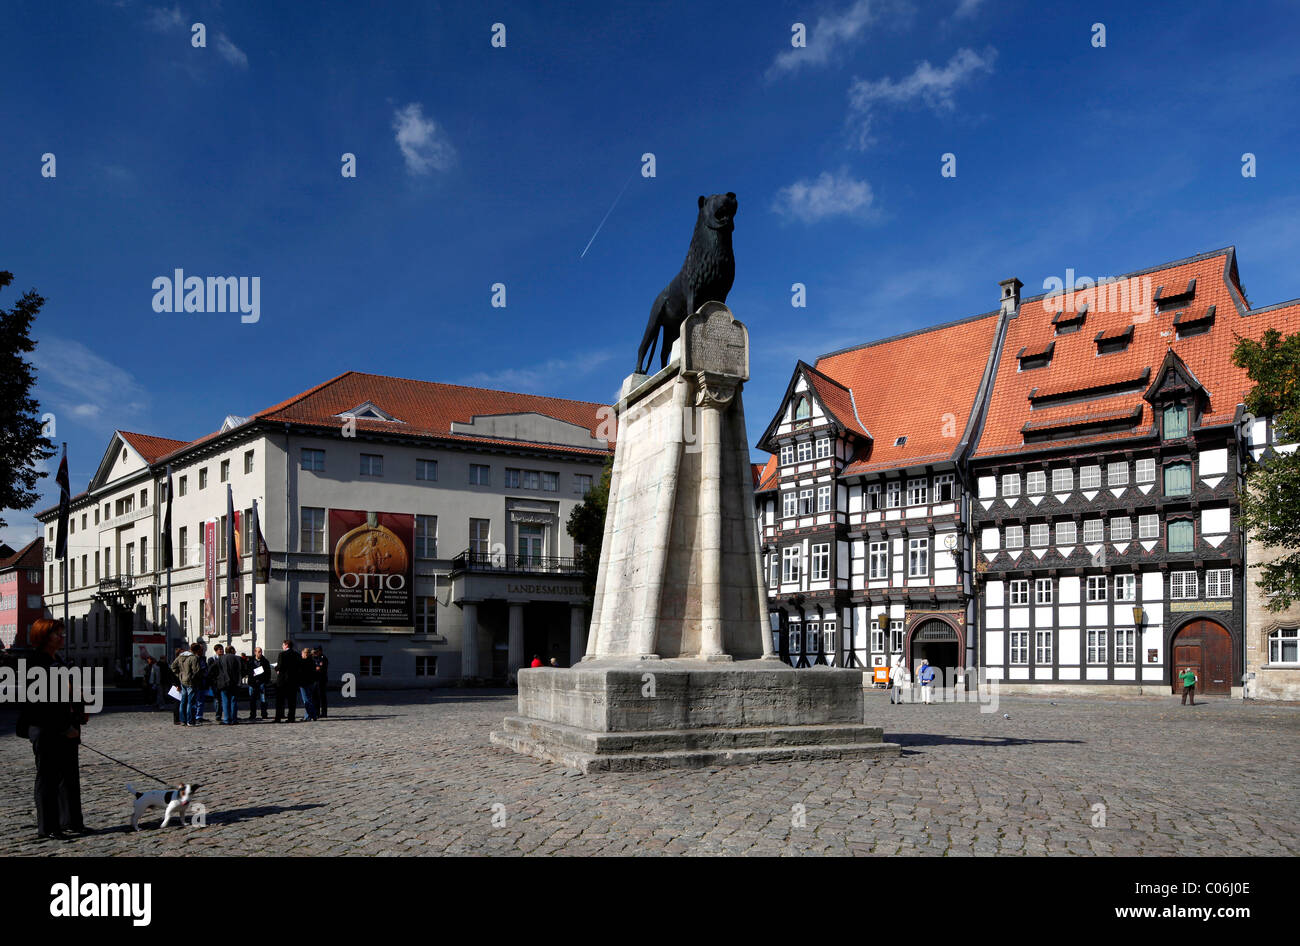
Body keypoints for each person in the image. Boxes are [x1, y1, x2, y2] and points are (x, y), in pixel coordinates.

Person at [17, 619, 88, 841]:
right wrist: (63, 727)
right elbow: (37, 704)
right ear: (44, 636)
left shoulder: (57, 660)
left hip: (66, 727)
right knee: (47, 778)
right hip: (47, 729)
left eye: (62, 633)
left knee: (68, 777)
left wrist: (79, 711)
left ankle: (71, 822)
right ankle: (48, 826)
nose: (62, 637)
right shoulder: (35, 663)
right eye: (58, 634)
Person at [171, 642, 203, 726]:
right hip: (191, 682)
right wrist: (193, 677)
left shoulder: (180, 656)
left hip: (182, 681)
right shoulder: (193, 658)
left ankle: (183, 720)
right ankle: (190, 720)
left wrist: (180, 675)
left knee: (183, 701)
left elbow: (173, 667)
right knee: (191, 702)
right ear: (197, 650)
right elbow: (196, 671)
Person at [274, 640, 300, 722]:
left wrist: (276, 668)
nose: (282, 646)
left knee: (280, 701)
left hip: (282, 681)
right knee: (292, 701)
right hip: (293, 681)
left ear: (286, 645)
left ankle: (278, 718)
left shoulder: (282, 654)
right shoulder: (296, 655)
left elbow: (280, 666)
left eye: (283, 645)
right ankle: (291, 717)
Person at [216, 646, 243, 724]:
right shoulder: (238, 658)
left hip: (224, 683)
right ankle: (234, 719)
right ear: (232, 651)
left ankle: (227, 719)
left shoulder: (221, 658)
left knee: (225, 701)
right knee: (233, 701)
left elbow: (213, 668)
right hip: (235, 683)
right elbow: (244, 669)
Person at [247, 646, 271, 720]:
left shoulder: (265, 661)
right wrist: (253, 674)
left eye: (261, 651)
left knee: (263, 699)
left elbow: (268, 672)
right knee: (252, 700)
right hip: (252, 683)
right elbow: (247, 670)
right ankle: (252, 714)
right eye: (258, 651)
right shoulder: (250, 660)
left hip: (261, 682)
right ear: (255, 652)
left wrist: (266, 681)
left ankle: (264, 714)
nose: (260, 653)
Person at [298, 647, 318, 721]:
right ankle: (310, 715)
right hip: (311, 682)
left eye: (302, 653)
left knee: (306, 700)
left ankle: (311, 715)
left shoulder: (302, 661)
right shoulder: (312, 661)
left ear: (304, 653)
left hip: (303, 683)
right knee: (309, 699)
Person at [312, 647, 329, 718]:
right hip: (315, 680)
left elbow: (320, 668)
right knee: (315, 697)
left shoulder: (323, 658)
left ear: (320, 651)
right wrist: (315, 668)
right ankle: (317, 712)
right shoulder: (314, 658)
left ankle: (324, 713)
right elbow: (314, 667)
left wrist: (315, 668)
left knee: (322, 697)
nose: (315, 653)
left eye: (316, 651)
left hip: (321, 680)